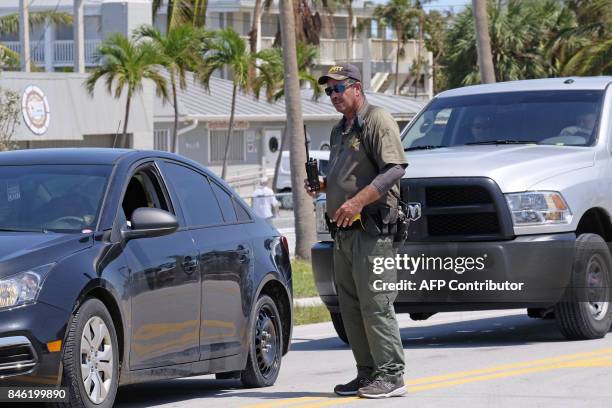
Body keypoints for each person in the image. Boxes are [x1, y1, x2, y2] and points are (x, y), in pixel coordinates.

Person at [304, 63, 407, 399]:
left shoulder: (377, 119)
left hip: (372, 232)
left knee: (376, 304)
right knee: (349, 306)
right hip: (343, 233)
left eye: (338, 88)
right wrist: (321, 186)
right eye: (328, 90)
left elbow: (394, 169)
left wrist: (357, 202)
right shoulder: (340, 131)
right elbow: (345, 175)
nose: (333, 95)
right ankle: (367, 374)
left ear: (357, 88)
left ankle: (391, 375)